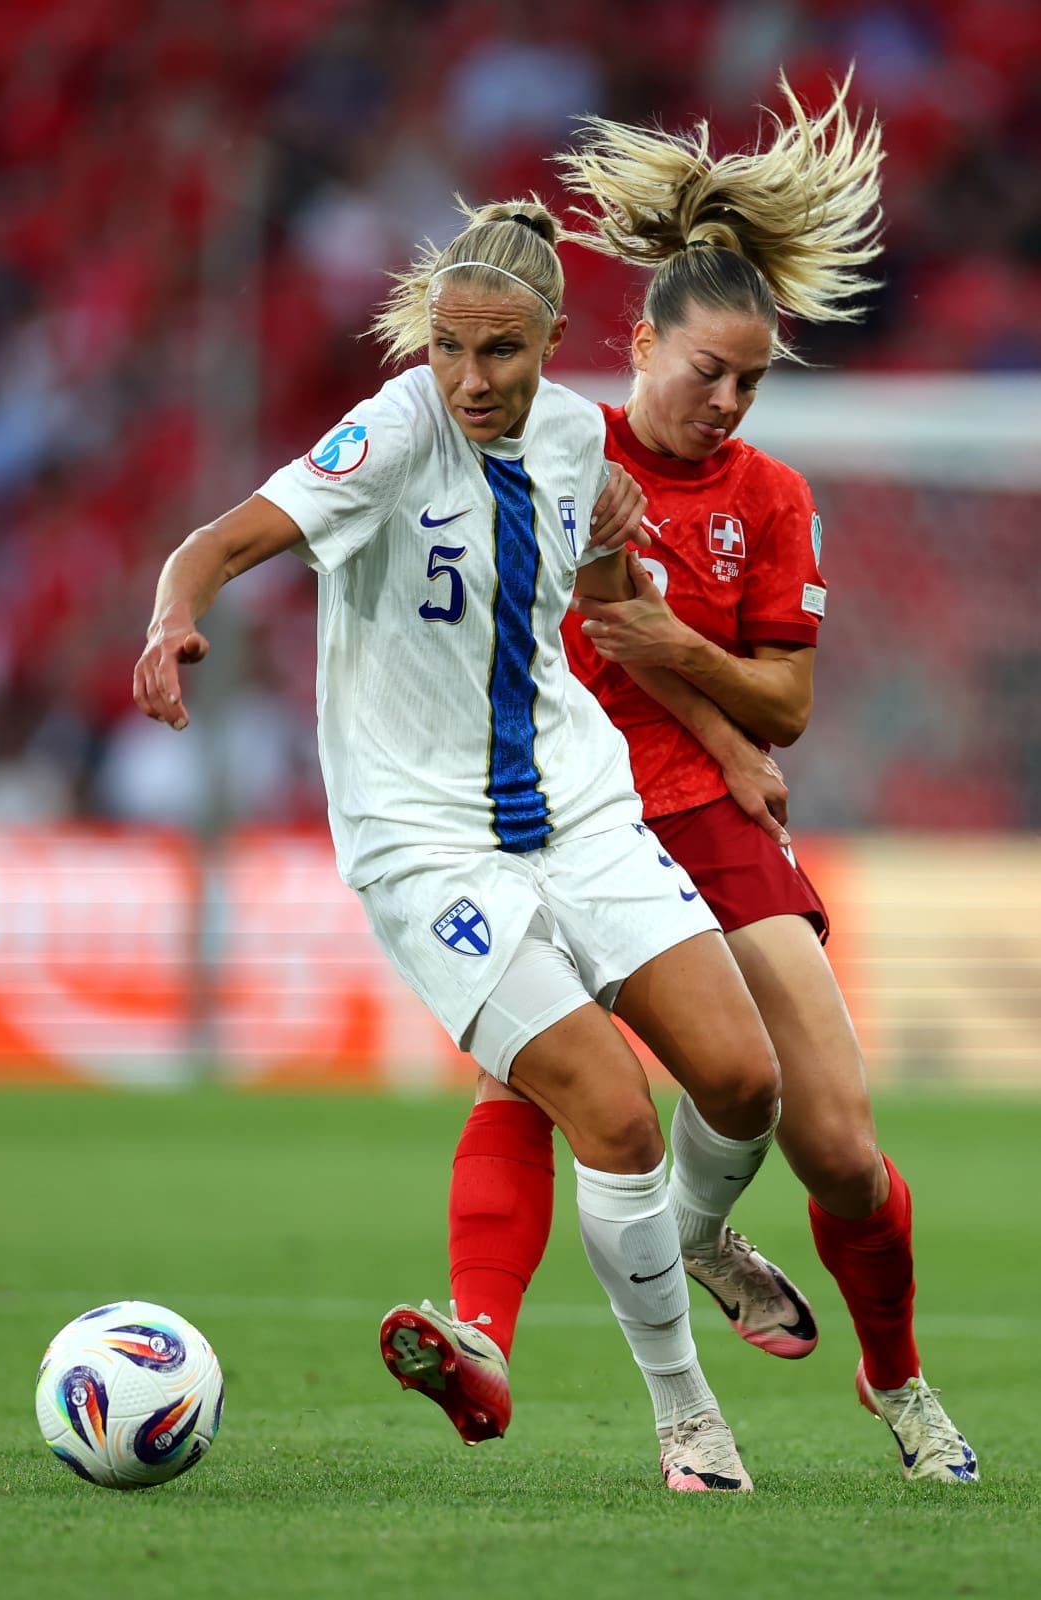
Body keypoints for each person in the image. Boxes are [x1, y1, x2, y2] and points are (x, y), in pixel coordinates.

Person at [133, 196, 807, 1494]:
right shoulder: (389, 432)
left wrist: (726, 744)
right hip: (425, 843)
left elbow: (612, 611)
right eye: (447, 347)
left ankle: (695, 1242)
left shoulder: (576, 445)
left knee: (744, 1084)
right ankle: (686, 1417)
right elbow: (219, 542)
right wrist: (171, 622)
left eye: (497, 350)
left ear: (554, 339)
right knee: (611, 1109)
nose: (468, 378)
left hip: (579, 808)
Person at [387, 72, 978, 1486]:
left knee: (833, 1140)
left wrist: (682, 668)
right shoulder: (556, 443)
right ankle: (484, 1339)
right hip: (555, 814)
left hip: (705, 817)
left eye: (752, 383)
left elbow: (789, 701)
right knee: (525, 1081)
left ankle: (890, 1376)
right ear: (639, 345)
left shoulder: (771, 498)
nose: (727, 400)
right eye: (707, 370)